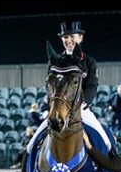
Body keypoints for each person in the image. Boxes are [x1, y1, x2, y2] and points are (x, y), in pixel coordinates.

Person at [29, 21, 112, 152]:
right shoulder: (55, 61)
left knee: (107, 143)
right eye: (65, 37)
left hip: (81, 109)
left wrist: (84, 103)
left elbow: (92, 85)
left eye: (72, 36)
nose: (69, 40)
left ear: (80, 38)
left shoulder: (89, 62)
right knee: (31, 146)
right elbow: (51, 86)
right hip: (59, 108)